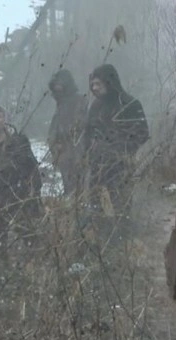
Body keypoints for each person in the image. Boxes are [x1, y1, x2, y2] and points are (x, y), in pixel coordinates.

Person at [0, 104, 44, 256]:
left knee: (31, 237)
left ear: (4, 119)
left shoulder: (19, 142)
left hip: (19, 196)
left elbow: (32, 168)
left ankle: (35, 268)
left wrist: (34, 191)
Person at [83, 64, 149, 223]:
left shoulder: (129, 103)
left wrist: (120, 149)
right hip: (97, 166)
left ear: (109, 82)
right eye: (92, 84)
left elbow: (142, 133)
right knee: (95, 208)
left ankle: (122, 240)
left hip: (120, 165)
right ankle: (100, 239)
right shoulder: (96, 106)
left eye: (98, 83)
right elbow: (87, 133)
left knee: (121, 208)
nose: (94, 88)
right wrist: (88, 153)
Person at [47, 69, 88, 198]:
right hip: (63, 152)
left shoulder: (78, 100)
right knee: (69, 187)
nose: (58, 87)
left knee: (78, 188)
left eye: (60, 83)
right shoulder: (61, 103)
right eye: (56, 84)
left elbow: (79, 126)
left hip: (76, 152)